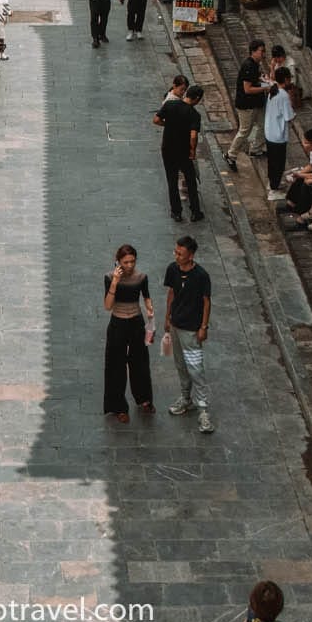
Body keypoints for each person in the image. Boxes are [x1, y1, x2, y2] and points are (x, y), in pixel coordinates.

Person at [164, 235, 213, 431]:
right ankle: (185, 398)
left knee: (195, 368)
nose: (176, 256)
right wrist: (167, 317)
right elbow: (172, 293)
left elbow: (206, 301)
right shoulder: (172, 269)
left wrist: (203, 327)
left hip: (192, 329)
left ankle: (203, 410)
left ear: (191, 255)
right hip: (176, 326)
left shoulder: (201, 275)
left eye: (180, 253)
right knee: (181, 365)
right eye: (176, 252)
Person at [103, 244, 155, 422]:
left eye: (132, 261)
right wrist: (115, 282)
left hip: (136, 322)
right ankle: (118, 407)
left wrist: (150, 310)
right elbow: (108, 306)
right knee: (115, 365)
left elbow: (146, 296)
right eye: (126, 262)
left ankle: (144, 399)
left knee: (140, 362)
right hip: (117, 322)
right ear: (118, 261)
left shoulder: (141, 277)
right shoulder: (109, 277)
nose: (129, 265)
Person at [154, 79, 204, 223]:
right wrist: (193, 151)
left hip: (168, 149)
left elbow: (156, 120)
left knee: (172, 180)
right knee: (190, 180)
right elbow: (193, 135)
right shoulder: (194, 115)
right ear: (196, 99)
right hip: (183, 152)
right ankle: (195, 212)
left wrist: (168, 125)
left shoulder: (170, 105)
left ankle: (176, 212)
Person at [225, 40, 269, 170]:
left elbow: (256, 80)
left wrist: (263, 80)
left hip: (256, 103)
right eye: (262, 51)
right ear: (254, 51)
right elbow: (248, 89)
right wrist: (265, 87)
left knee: (263, 124)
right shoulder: (248, 66)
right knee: (245, 131)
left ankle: (256, 148)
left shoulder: (255, 64)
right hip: (247, 105)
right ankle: (231, 154)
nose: (264, 54)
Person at [264, 67, 296, 200]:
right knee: (278, 163)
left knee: (272, 161)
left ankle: (272, 183)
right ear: (286, 79)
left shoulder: (273, 90)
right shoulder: (283, 95)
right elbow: (289, 117)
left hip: (269, 131)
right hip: (278, 135)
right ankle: (274, 189)